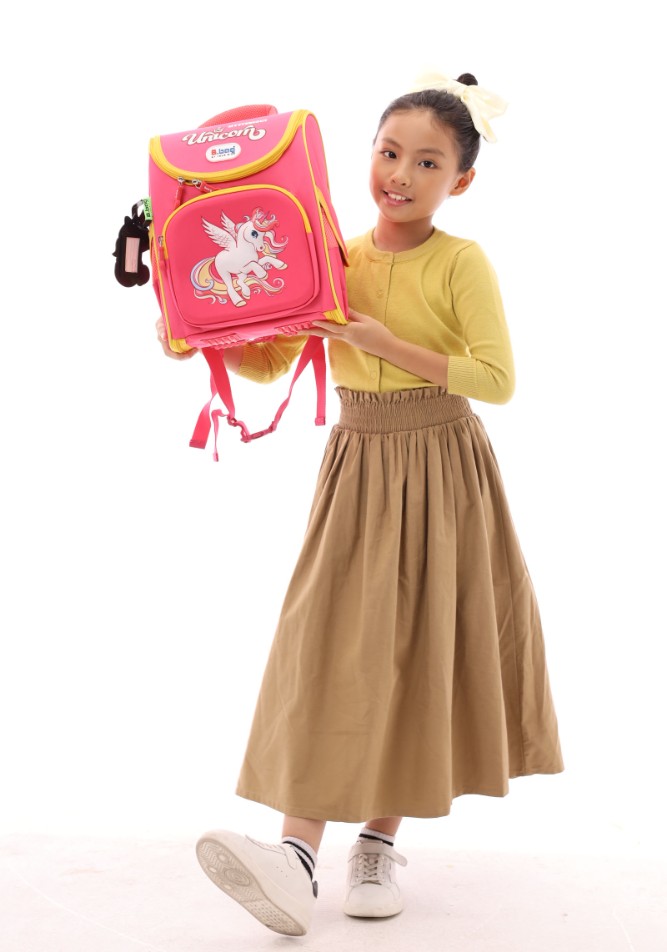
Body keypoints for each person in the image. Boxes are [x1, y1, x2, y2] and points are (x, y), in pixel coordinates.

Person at [157, 72, 563, 938]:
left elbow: (496, 379)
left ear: (461, 181)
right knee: (327, 648)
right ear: (367, 154)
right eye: (388, 152)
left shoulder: (460, 261)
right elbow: (270, 357)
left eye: (428, 162)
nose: (400, 175)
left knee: (419, 648)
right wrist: (186, 324)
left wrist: (387, 343)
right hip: (357, 463)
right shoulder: (334, 253)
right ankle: (296, 859)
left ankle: (376, 844)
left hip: (442, 463)